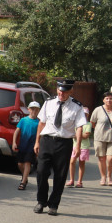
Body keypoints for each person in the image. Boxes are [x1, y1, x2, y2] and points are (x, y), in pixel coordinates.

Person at [33, 79, 87, 216]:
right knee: (41, 171)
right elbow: (41, 123)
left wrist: (78, 146)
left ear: (70, 91)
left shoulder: (77, 106)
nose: (61, 94)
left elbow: (79, 127)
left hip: (64, 143)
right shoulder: (48, 102)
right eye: (59, 91)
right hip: (47, 140)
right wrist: (37, 142)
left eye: (64, 92)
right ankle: (41, 201)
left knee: (60, 175)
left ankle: (53, 205)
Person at [91, 92, 112, 186]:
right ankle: (103, 177)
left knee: (110, 158)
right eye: (107, 98)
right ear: (103, 100)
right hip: (99, 137)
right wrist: (99, 130)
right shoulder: (98, 110)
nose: (109, 100)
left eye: (111, 98)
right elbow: (93, 122)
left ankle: (109, 176)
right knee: (101, 158)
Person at [13, 101, 41, 190]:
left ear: (39, 111)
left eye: (36, 110)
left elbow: (40, 134)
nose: (34, 111)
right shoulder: (23, 120)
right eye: (32, 109)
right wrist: (14, 142)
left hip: (32, 146)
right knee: (20, 164)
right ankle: (25, 177)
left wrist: (38, 145)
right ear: (28, 109)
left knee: (27, 162)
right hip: (23, 144)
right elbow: (17, 131)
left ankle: (23, 182)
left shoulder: (39, 122)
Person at [72, 109, 92, 188]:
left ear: (88, 115)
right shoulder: (75, 124)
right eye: (82, 113)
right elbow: (71, 133)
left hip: (84, 146)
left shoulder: (88, 124)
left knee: (81, 163)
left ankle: (79, 181)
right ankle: (71, 180)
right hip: (74, 146)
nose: (84, 115)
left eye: (86, 114)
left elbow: (86, 136)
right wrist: (79, 135)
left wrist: (77, 135)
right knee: (72, 161)